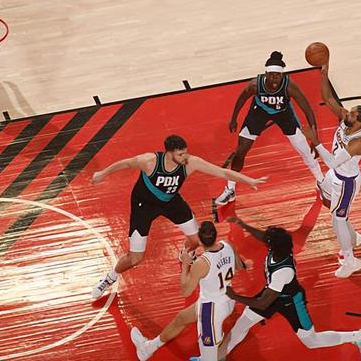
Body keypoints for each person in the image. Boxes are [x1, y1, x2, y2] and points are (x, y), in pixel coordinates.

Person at [90, 135, 265, 300]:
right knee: (136, 258)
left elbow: (222, 172)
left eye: (185, 152)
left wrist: (249, 181)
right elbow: (126, 163)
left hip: (171, 202)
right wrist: (102, 173)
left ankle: (185, 256)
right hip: (144, 206)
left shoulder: (190, 162)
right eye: (180, 154)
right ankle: (111, 277)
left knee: (196, 240)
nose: (184, 157)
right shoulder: (149, 161)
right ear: (169, 153)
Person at [222, 216, 361, 361]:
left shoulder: (283, 271)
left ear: (272, 246)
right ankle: (216, 356)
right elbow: (264, 237)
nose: (265, 239)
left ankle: (360, 336)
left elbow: (263, 303)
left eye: (268, 240)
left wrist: (235, 296)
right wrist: (242, 224)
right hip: (273, 294)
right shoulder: (280, 249)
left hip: (290, 303)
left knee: (312, 341)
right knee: (242, 325)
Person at [215, 51, 323, 206]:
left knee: (305, 149)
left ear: (282, 75)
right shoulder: (255, 85)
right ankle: (230, 189)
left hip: (284, 113)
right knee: (240, 151)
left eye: (277, 76)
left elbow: (308, 110)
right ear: (265, 74)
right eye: (271, 75)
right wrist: (234, 118)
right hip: (259, 112)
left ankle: (321, 181)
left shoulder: (289, 86)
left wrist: (314, 137)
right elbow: (242, 98)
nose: (274, 79)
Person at [130, 221, 245, 360]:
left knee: (209, 357)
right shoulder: (228, 245)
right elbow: (239, 266)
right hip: (227, 299)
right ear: (215, 235)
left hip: (210, 310)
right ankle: (147, 349)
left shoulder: (202, 263)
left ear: (200, 241)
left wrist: (185, 264)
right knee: (181, 318)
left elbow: (186, 291)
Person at [306, 65, 361, 278]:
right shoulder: (346, 120)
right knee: (330, 207)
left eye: (352, 114)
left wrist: (315, 141)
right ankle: (353, 238)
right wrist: (324, 76)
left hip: (346, 182)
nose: (347, 113)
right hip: (334, 177)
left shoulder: (359, 142)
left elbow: (333, 162)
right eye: (350, 111)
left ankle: (350, 260)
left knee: (338, 220)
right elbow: (328, 98)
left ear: (359, 122)